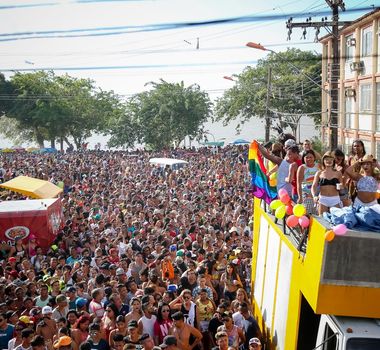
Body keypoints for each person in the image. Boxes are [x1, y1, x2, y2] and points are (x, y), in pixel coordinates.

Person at [296, 149, 319, 214]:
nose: (309, 159)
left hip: (317, 196)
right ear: (303, 158)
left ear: (314, 158)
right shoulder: (302, 168)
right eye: (307, 157)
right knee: (307, 215)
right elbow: (299, 183)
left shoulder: (318, 166)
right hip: (306, 195)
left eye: (311, 157)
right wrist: (300, 197)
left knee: (317, 216)